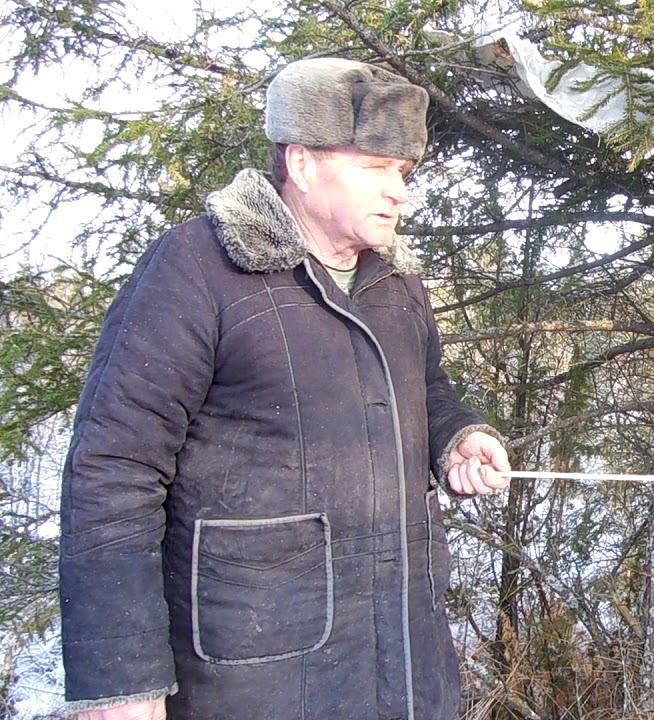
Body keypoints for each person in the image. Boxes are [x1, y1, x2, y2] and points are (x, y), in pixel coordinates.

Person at [58, 57, 511, 720]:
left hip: (408, 667)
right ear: (302, 163)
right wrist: (122, 683)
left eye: (404, 172)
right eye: (376, 167)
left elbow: (427, 388)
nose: (399, 192)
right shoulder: (196, 269)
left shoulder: (397, 283)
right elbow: (113, 469)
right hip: (254, 680)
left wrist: (456, 438)